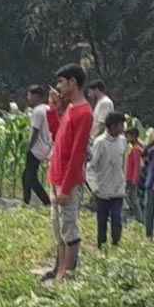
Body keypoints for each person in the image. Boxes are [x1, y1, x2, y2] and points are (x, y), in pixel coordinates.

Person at [43, 64, 93, 282]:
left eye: (61, 82)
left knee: (69, 229)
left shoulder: (84, 112)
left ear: (73, 82)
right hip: (56, 176)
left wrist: (66, 186)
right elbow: (57, 135)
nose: (58, 87)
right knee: (58, 229)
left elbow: (77, 154)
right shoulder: (71, 108)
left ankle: (67, 274)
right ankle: (58, 270)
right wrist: (54, 110)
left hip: (67, 181)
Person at [87, 113, 128, 248]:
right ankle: (102, 245)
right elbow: (91, 167)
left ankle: (116, 243)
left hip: (118, 188)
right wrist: (94, 187)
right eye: (121, 125)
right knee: (102, 220)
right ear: (113, 126)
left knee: (117, 218)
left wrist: (124, 180)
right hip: (102, 188)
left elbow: (124, 163)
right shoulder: (100, 142)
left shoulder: (122, 141)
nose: (123, 128)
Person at [23, 85, 52, 206]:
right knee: (26, 175)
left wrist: (29, 147)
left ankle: (45, 200)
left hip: (36, 148)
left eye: (29, 95)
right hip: (45, 146)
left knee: (30, 177)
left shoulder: (37, 111)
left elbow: (35, 131)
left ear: (36, 96)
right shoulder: (47, 108)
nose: (28, 98)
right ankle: (26, 199)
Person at [124, 127, 145, 221]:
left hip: (132, 179)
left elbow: (137, 166)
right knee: (131, 197)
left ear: (133, 136)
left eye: (128, 136)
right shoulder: (131, 148)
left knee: (133, 198)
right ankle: (137, 216)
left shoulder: (136, 149)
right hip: (129, 177)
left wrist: (134, 180)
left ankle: (139, 218)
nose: (126, 138)